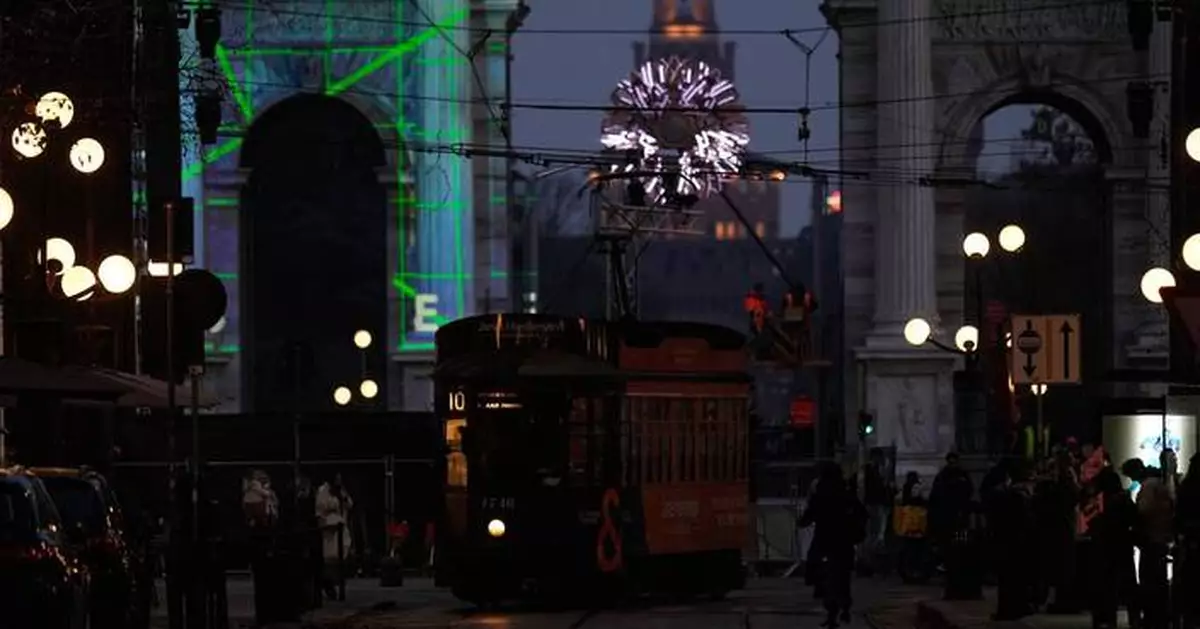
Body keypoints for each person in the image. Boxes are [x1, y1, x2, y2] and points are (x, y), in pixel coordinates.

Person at [800, 464, 867, 628]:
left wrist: (803, 522)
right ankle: (843, 608)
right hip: (843, 542)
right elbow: (862, 513)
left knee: (817, 567)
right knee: (842, 577)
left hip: (824, 540)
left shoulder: (821, 493)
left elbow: (810, 514)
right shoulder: (845, 494)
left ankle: (829, 606)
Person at [1121, 459, 1174, 629]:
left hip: (1152, 539)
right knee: (1157, 579)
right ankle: (1160, 615)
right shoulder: (1157, 483)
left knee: (1150, 579)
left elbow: (1144, 511)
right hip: (1159, 537)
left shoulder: (1149, 486)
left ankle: (1154, 617)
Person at [1086, 467, 1137, 629]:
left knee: (1103, 584)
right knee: (1128, 583)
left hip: (1102, 545)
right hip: (1122, 544)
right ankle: (1133, 617)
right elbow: (1134, 518)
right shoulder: (1123, 498)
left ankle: (1102, 617)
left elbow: (1090, 521)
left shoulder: (1097, 501)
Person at [992, 460, 1035, 620]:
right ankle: (1017, 608)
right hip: (1019, 543)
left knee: (1007, 580)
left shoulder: (1004, 494)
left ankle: (1007, 610)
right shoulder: (1021, 496)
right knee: (1017, 579)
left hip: (1007, 543)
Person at [316, 474, 354, 600]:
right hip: (329, 529)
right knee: (329, 557)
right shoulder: (323, 490)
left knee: (342, 554)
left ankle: (337, 583)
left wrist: (343, 496)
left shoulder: (341, 491)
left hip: (341, 527)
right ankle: (327, 584)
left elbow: (349, 504)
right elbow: (320, 510)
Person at [1175, 454, 1200, 629]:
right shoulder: (1190, 488)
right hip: (1193, 538)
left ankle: (1189, 614)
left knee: (1190, 577)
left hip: (1190, 540)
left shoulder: (1186, 487)